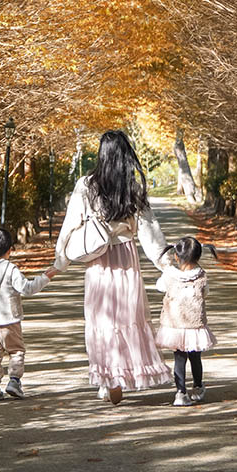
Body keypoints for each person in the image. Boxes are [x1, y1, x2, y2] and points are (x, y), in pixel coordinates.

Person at [54, 129, 172, 404]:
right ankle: (125, 375)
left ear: (102, 154)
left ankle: (107, 379)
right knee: (128, 319)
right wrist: (166, 264)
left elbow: (71, 223)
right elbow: (150, 232)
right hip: (127, 260)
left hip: (98, 262)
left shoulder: (86, 185)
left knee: (101, 321)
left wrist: (60, 259)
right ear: (126, 155)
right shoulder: (134, 187)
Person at [0, 225, 57, 402]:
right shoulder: (11, 269)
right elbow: (27, 289)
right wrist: (46, 276)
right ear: (10, 250)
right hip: (9, 321)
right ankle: (14, 381)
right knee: (16, 351)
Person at [155, 235, 216, 406]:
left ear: (176, 256)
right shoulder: (202, 276)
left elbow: (159, 287)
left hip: (174, 326)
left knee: (179, 359)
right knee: (195, 359)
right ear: (198, 256)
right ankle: (198, 387)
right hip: (194, 326)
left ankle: (180, 393)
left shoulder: (169, 275)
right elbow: (206, 293)